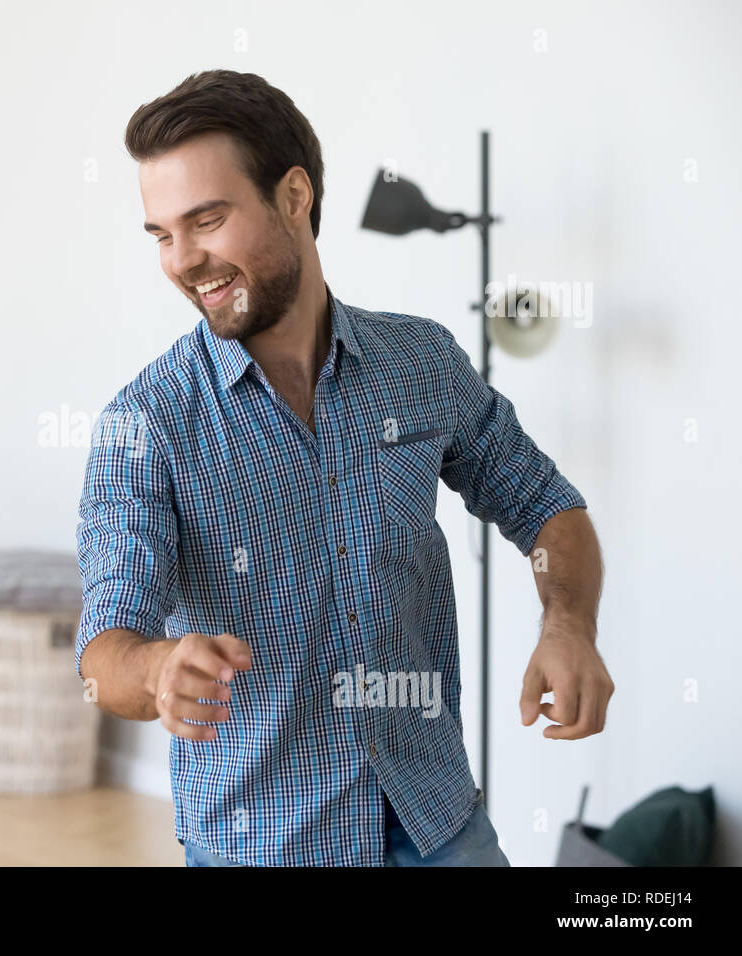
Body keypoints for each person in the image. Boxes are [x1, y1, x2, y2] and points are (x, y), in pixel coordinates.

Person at [75, 70, 612, 866]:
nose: (182, 260)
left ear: (294, 196)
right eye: (161, 234)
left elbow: (545, 504)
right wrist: (156, 667)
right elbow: (103, 652)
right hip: (265, 844)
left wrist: (568, 625)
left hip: (439, 821)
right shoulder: (145, 422)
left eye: (207, 220)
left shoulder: (421, 361)